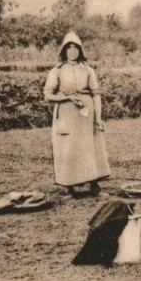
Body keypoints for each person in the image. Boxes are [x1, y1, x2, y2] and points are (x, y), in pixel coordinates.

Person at [44, 32, 110, 197]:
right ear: (64, 51)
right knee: (68, 148)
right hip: (66, 114)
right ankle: (68, 186)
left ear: (80, 51)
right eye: (69, 48)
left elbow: (96, 94)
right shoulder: (57, 71)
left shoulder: (88, 70)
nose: (72, 52)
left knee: (90, 146)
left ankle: (94, 185)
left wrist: (98, 117)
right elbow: (48, 95)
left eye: (75, 48)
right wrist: (66, 97)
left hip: (86, 115)